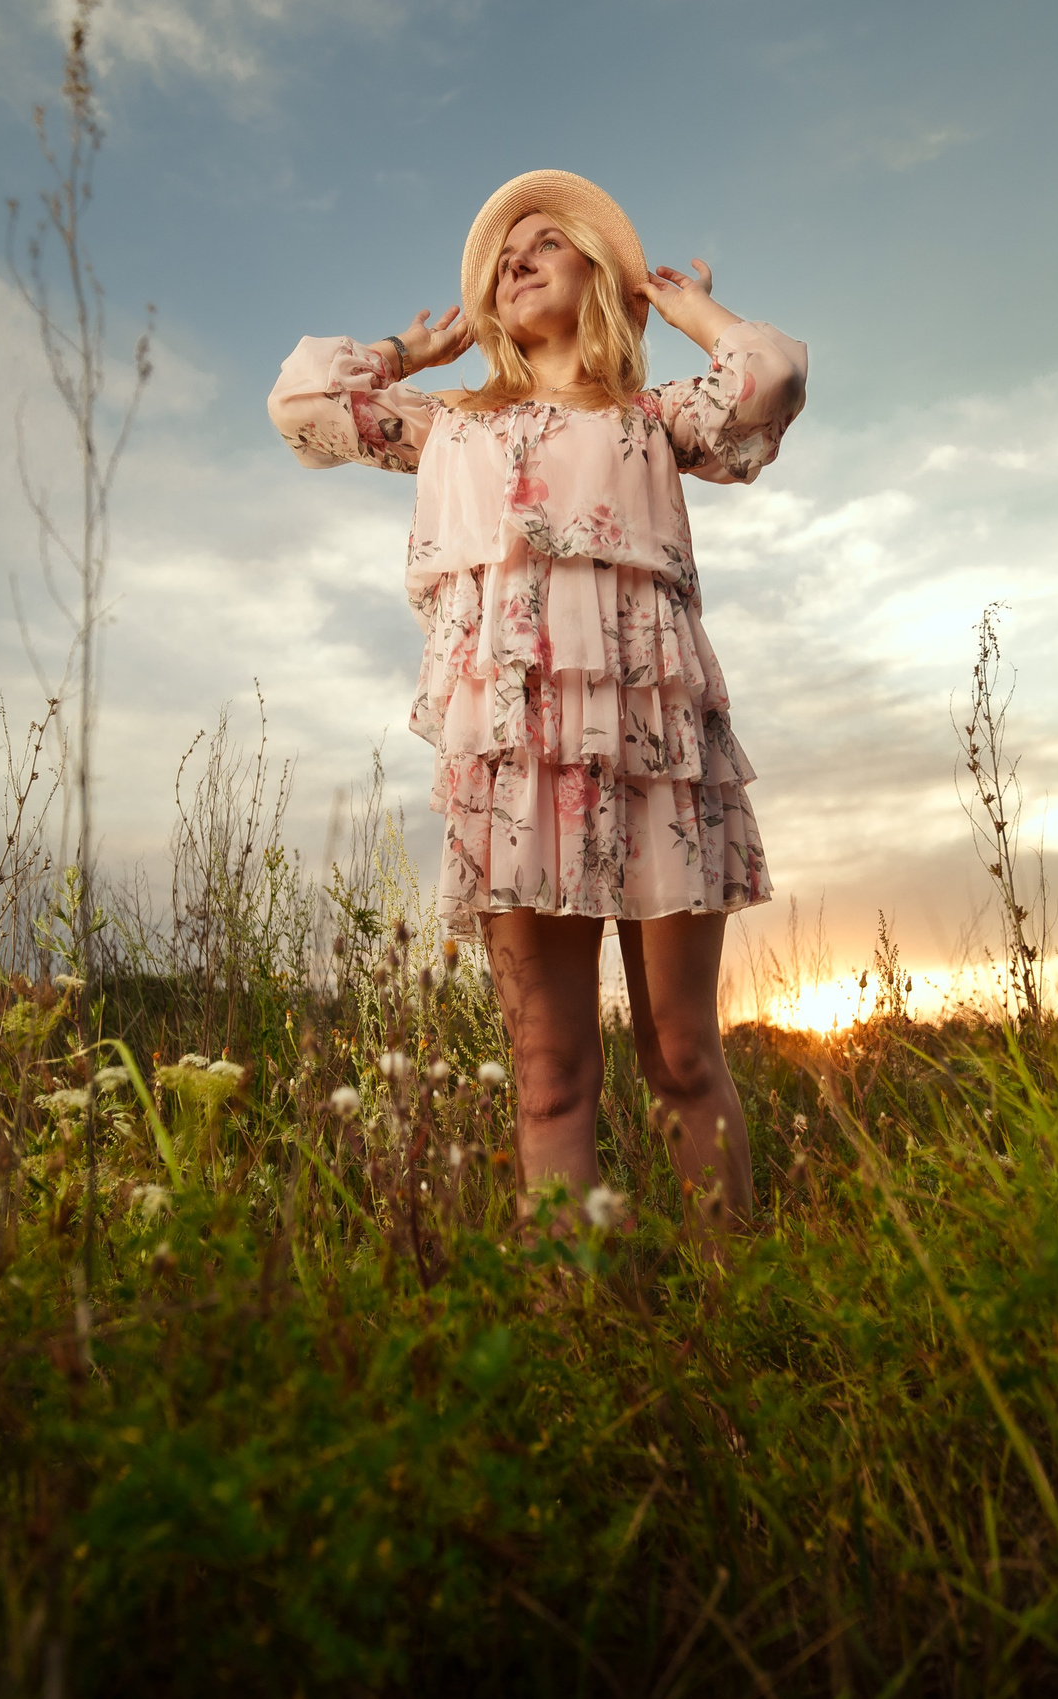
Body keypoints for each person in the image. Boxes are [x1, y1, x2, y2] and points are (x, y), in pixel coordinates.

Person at [268, 169, 806, 1226]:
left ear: (598, 273)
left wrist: (683, 307)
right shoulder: (450, 425)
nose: (515, 262)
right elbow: (302, 405)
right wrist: (412, 351)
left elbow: (771, 376)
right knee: (550, 1075)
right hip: (517, 764)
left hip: (658, 750)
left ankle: (737, 1298)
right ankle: (572, 1310)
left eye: (544, 243)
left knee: (683, 1055)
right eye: (501, 260)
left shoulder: (655, 418)